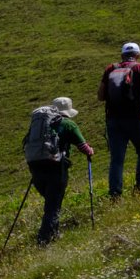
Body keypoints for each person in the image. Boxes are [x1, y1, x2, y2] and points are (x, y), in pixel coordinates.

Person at [24, 97, 93, 245]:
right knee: (53, 205)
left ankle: (53, 233)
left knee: (51, 202)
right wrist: (90, 151)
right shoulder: (68, 124)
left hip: (35, 166)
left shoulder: (41, 124)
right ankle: (44, 239)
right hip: (55, 167)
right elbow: (83, 147)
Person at [97, 42, 140, 197]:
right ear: (138, 55)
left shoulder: (110, 68)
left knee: (117, 159)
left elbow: (100, 96)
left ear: (122, 55)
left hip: (113, 120)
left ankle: (115, 194)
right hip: (136, 119)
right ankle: (139, 187)